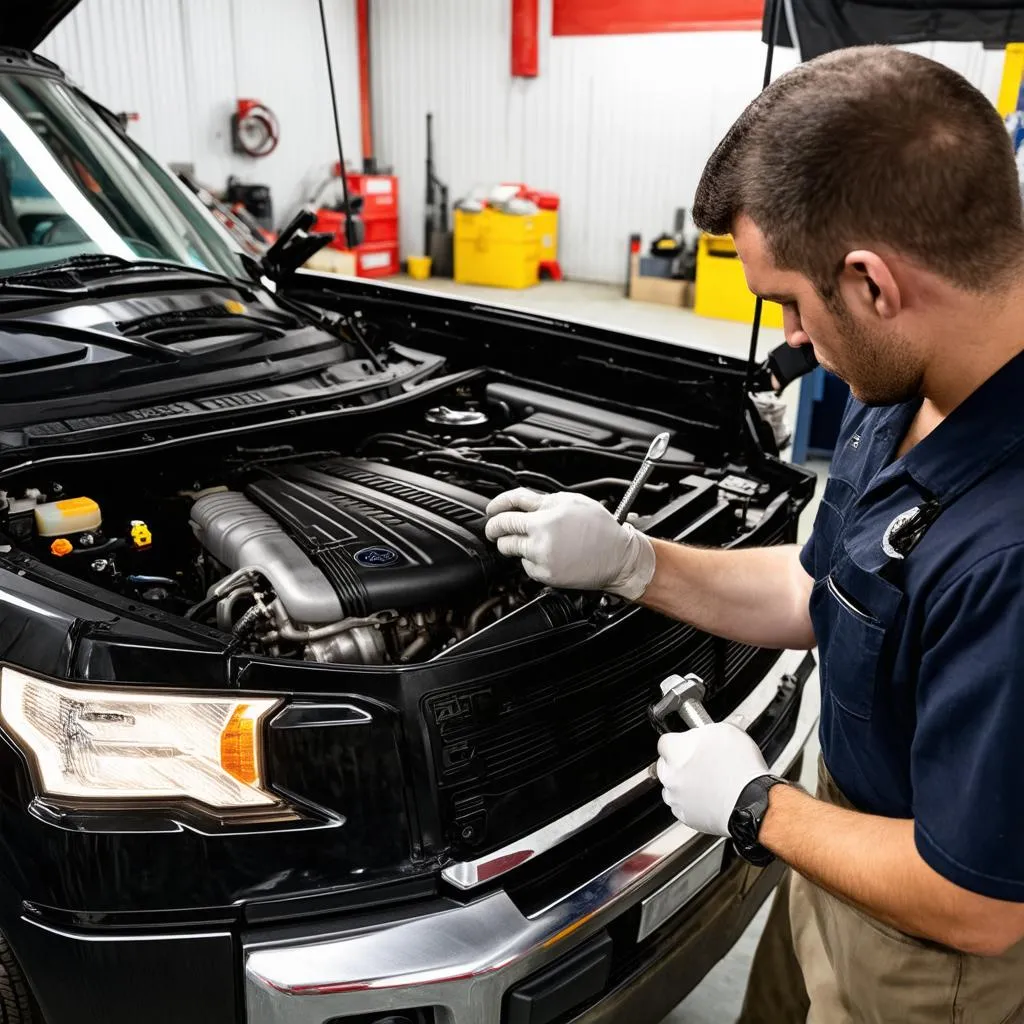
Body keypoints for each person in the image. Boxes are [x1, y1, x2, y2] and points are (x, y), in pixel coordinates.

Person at [484, 46, 1024, 1024]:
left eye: (789, 306)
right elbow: (821, 590)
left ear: (871, 282)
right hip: (836, 850)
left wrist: (755, 806)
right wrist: (632, 559)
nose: (792, 345)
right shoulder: (908, 386)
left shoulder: (1009, 551)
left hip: (928, 954)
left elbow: (977, 901)